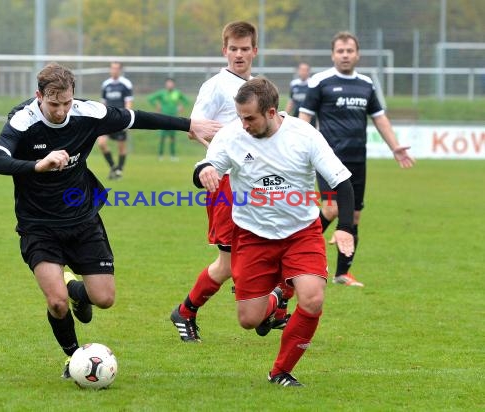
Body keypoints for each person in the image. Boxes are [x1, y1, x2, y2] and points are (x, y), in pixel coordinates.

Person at [0, 62, 221, 378]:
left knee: (104, 299)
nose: (60, 110)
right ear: (39, 96)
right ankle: (74, 358)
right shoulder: (24, 121)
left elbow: (137, 118)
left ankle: (75, 289)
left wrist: (190, 124)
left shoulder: (88, 113)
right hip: (38, 224)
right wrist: (37, 165)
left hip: (83, 219)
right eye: (53, 104)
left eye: (66, 102)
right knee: (56, 303)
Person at [194, 77, 355, 387]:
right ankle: (277, 295)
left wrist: (346, 227)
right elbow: (206, 164)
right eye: (240, 117)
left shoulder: (304, 135)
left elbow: (341, 182)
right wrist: (205, 170)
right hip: (252, 236)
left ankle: (280, 371)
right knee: (249, 320)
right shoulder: (231, 135)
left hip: (301, 233)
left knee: (312, 300)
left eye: (250, 118)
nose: (243, 124)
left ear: (271, 112)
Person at [169, 21, 294, 343]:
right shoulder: (216, 86)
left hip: (257, 185)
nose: (239, 54)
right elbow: (194, 128)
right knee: (227, 264)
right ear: (225, 50)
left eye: (245, 49)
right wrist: (223, 158)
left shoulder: (256, 87)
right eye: (233, 49)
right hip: (225, 185)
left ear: (255, 50)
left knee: (277, 245)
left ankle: (273, 311)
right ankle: (185, 311)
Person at [299, 31, 415, 287]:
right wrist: (296, 149)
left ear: (357, 55)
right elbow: (304, 119)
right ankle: (297, 249)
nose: (345, 55)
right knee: (332, 208)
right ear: (333, 54)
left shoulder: (366, 84)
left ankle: (342, 273)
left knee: (354, 216)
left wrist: (395, 146)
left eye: (349, 51)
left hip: (357, 161)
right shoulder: (320, 82)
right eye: (340, 51)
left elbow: (380, 118)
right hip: (327, 161)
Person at [97, 62, 134, 180]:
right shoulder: (106, 84)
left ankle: (120, 170)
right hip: (107, 119)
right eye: (112, 68)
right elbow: (103, 102)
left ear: (120, 70)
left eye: (116, 68)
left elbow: (128, 102)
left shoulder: (125, 84)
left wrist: (126, 118)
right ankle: (113, 166)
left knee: (121, 147)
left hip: (120, 119)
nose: (114, 70)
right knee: (101, 143)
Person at [147, 78, 189, 160]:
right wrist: (157, 105)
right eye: (168, 83)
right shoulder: (162, 93)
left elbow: (186, 101)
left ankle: (172, 156)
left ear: (174, 84)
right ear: (166, 84)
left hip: (174, 118)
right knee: (162, 137)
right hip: (163, 118)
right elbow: (150, 98)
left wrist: (181, 106)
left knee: (172, 137)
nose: (169, 85)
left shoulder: (177, 93)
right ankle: (160, 155)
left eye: (171, 83)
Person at [285, 62, 314, 126]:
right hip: (296, 115)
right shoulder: (294, 84)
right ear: (298, 71)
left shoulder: (313, 83)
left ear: (309, 71)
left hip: (310, 117)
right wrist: (285, 115)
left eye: (306, 70)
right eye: (302, 70)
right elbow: (291, 101)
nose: (303, 72)